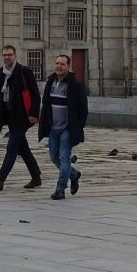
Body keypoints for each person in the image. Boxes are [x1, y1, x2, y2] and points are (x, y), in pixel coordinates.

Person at [0, 44, 42, 191]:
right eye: (5, 55)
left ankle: (0, 179)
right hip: (8, 115)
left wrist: (34, 114)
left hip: (22, 117)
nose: (7, 57)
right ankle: (36, 176)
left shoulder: (24, 71)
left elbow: (35, 94)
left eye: (10, 55)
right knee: (23, 148)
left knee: (12, 146)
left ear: (15, 55)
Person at [37, 52, 89, 199]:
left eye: (62, 64)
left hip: (67, 129)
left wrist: (77, 126)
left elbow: (83, 109)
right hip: (53, 128)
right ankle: (74, 174)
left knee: (64, 157)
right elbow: (46, 104)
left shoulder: (75, 85)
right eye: (57, 63)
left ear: (68, 67)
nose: (59, 66)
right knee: (54, 157)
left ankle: (60, 188)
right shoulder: (51, 82)